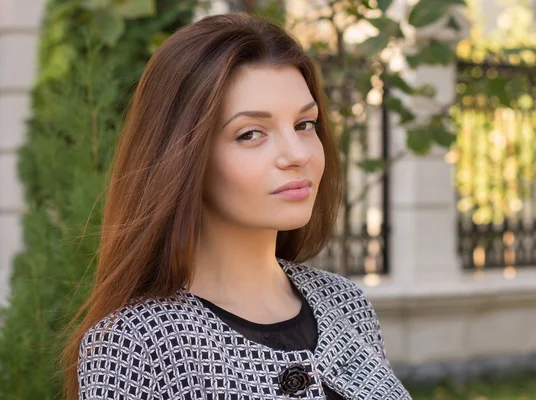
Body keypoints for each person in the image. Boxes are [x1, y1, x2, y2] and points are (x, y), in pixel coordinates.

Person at [61, 12, 411, 400]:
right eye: (250, 134)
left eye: (304, 125)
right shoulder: (137, 345)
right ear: (183, 157)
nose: (297, 154)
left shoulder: (345, 305)